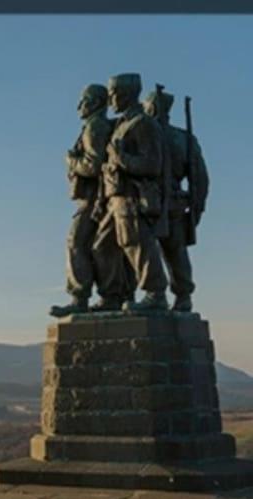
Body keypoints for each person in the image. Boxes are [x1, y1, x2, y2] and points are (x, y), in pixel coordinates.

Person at [50, 84, 125, 317]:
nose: (78, 107)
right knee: (101, 247)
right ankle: (108, 295)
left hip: (95, 198)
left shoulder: (95, 127)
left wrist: (72, 162)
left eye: (82, 101)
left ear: (94, 103)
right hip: (99, 197)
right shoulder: (97, 126)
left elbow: (93, 166)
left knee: (77, 242)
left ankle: (80, 296)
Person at [98, 73, 170, 312]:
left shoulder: (143, 124)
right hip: (114, 197)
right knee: (103, 246)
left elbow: (152, 164)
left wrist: (122, 159)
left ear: (127, 94)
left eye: (113, 94)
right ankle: (112, 295)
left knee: (137, 243)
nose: (110, 100)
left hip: (133, 196)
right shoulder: (121, 124)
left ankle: (155, 293)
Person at [142, 89, 209, 312]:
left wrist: (195, 209)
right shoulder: (183, 138)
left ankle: (164, 295)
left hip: (153, 203)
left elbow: (199, 178)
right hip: (171, 203)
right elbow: (200, 179)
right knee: (174, 252)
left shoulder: (148, 135)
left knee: (155, 250)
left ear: (151, 108)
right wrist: (196, 208)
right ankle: (181, 296)